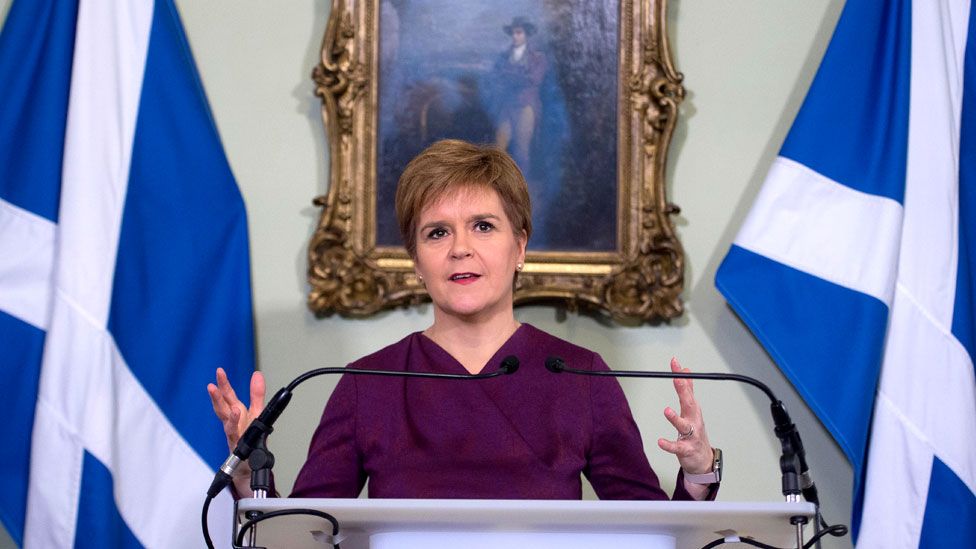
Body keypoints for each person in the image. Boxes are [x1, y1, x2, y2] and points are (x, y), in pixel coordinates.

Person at [208, 140, 719, 500]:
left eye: (482, 226)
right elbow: (302, 537)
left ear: (519, 246)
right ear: (416, 259)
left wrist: (698, 475)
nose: (460, 249)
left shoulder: (582, 376)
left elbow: (653, 535)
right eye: (437, 233)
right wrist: (250, 471)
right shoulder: (367, 384)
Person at [493, 16, 547, 175]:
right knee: (499, 146)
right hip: (507, 106)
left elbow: (534, 79)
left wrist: (510, 76)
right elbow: (497, 77)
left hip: (526, 106)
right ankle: (498, 187)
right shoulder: (504, 56)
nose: (515, 36)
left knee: (522, 149)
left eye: (519, 33)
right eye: (513, 33)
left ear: (526, 35)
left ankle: (522, 189)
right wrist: (518, 77)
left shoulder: (538, 58)